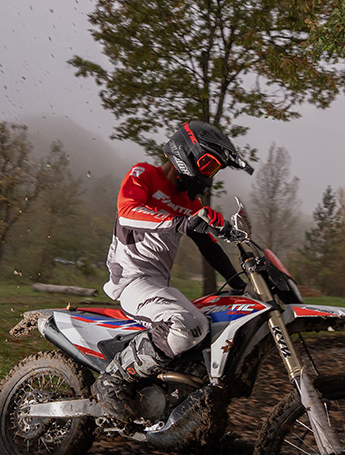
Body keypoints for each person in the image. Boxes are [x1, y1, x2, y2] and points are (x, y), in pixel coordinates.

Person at [92, 120, 254, 421]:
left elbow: (209, 247)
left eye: (214, 171)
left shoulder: (188, 203)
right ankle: (111, 382)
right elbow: (127, 212)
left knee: (208, 325)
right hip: (131, 280)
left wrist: (237, 282)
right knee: (185, 325)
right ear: (187, 154)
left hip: (157, 285)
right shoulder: (144, 174)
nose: (209, 177)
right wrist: (181, 223)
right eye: (208, 166)